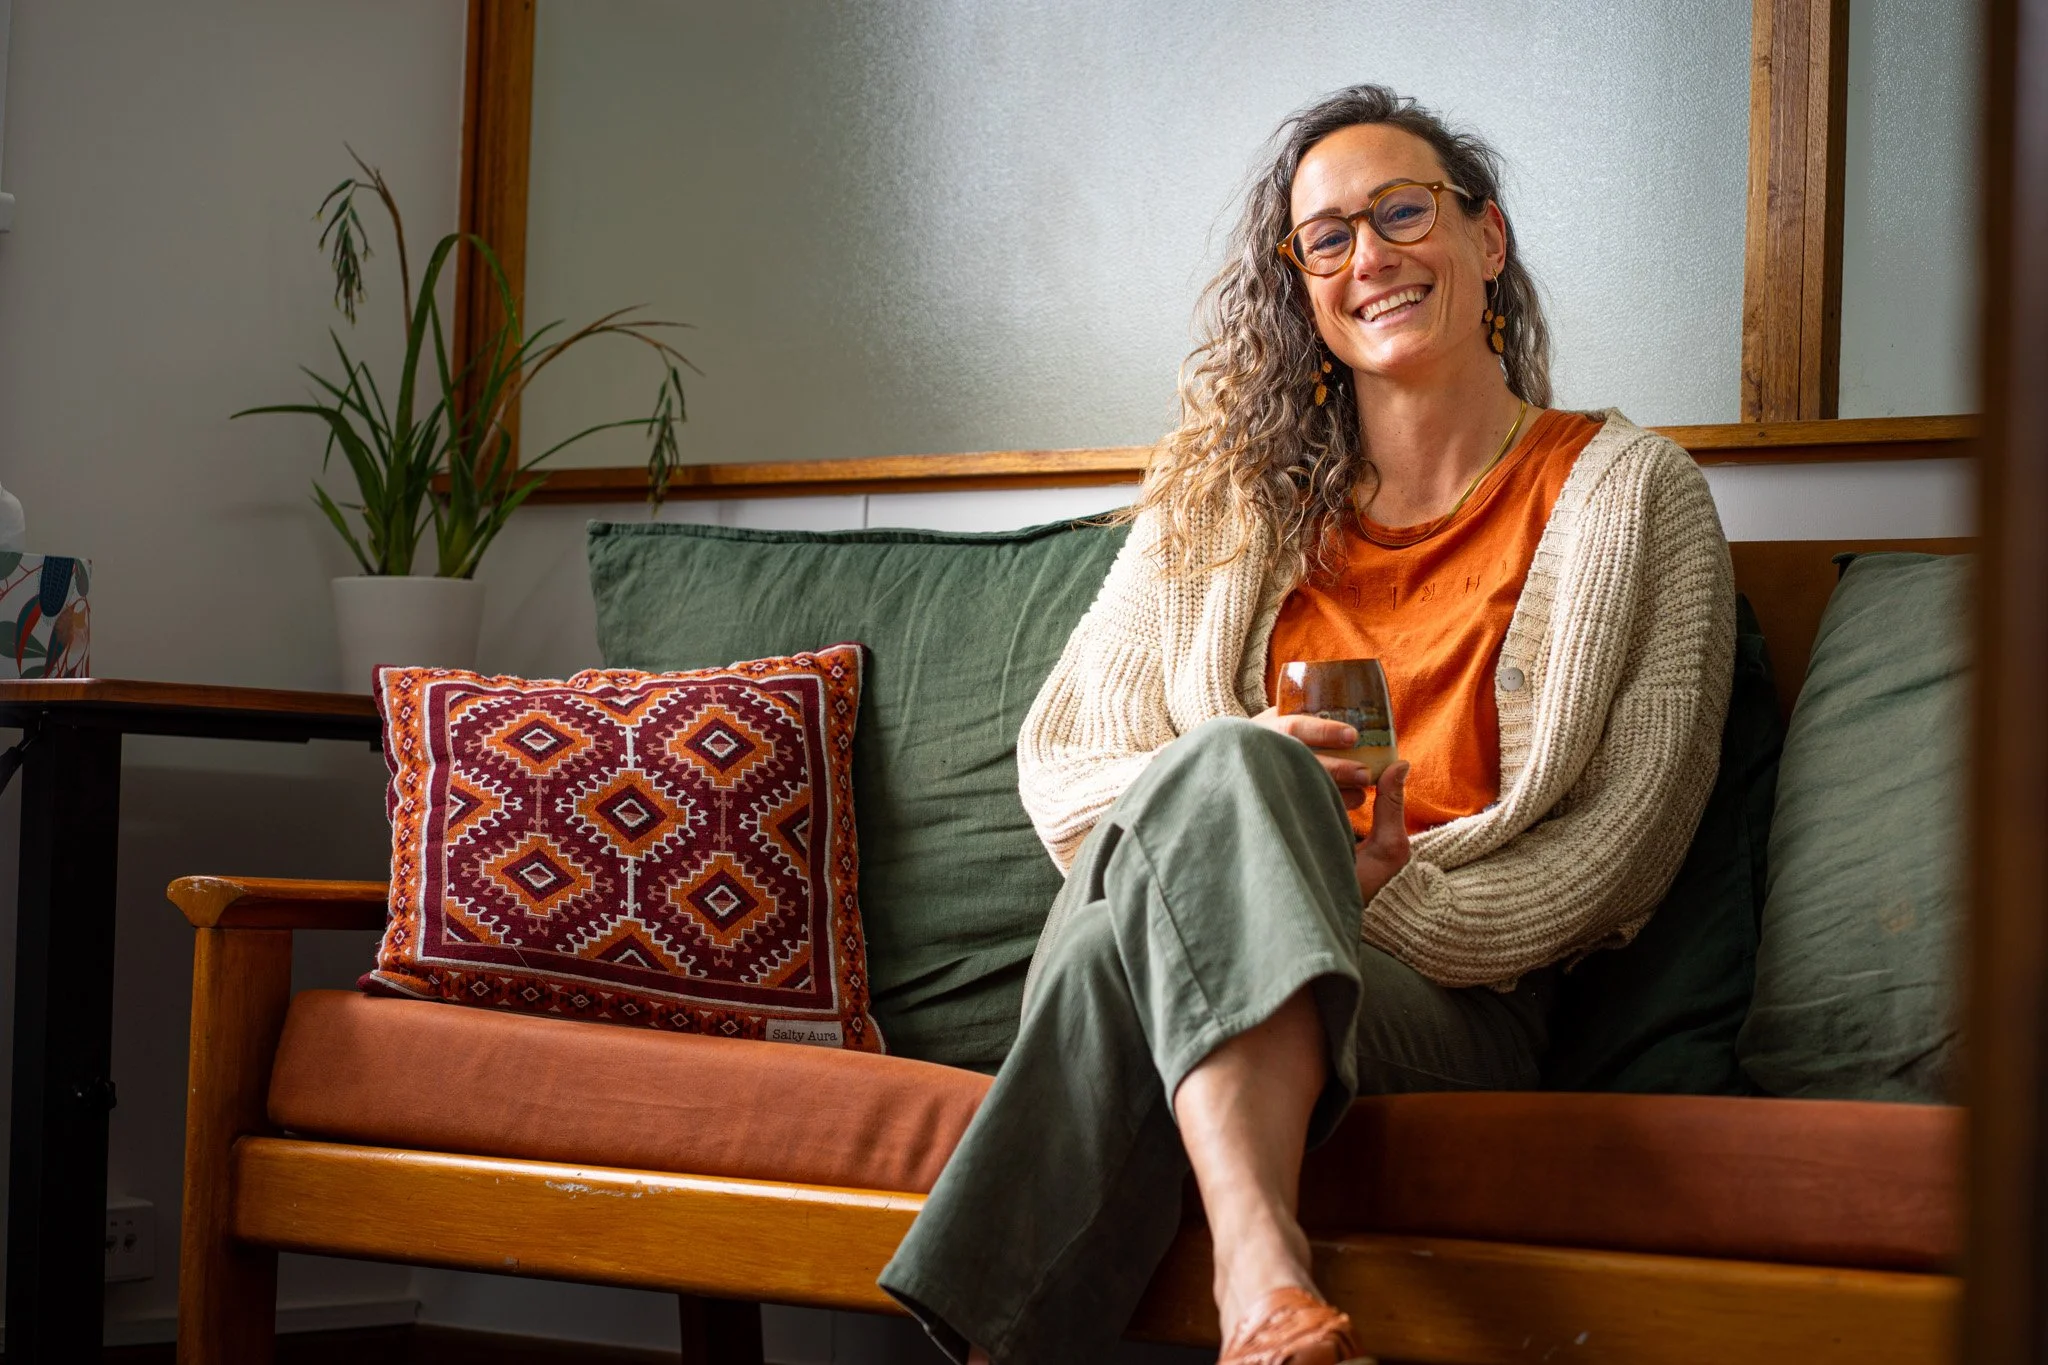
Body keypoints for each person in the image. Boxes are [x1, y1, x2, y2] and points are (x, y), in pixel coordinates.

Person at [878, 84, 1735, 1365]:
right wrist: (1260, 829)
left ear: (1486, 240)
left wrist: (1363, 895)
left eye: (1402, 213)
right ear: (1299, 284)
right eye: (1325, 237)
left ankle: (1142, 1302)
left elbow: (1623, 844)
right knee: (1232, 763)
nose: (1367, 258)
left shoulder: (1629, 494)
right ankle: (1264, 1285)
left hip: (1437, 993)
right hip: (1205, 926)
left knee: (1136, 927)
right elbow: (1066, 762)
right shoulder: (1222, 497)